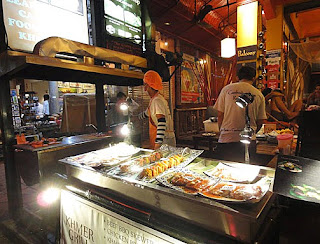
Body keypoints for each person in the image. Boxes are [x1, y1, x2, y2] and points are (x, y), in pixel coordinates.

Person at [212, 66, 269, 164]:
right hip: (249, 140)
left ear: (237, 77)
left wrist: (223, 130)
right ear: (253, 78)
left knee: (224, 172)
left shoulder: (227, 90)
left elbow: (220, 114)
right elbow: (261, 121)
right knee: (246, 171)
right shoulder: (258, 94)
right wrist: (252, 132)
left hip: (227, 137)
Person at [139, 70, 176, 149]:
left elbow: (162, 122)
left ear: (147, 86)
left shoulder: (157, 101)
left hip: (165, 141)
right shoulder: (155, 99)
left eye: (144, 84)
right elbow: (147, 113)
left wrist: (158, 144)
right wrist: (136, 117)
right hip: (164, 139)